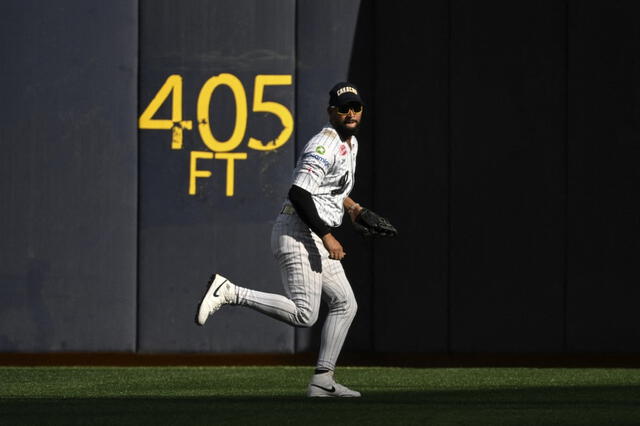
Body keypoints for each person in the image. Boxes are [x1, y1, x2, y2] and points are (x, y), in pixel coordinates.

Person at [195, 82, 396, 398]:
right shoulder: (324, 144)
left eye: (356, 107)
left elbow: (330, 189)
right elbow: (299, 194)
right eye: (344, 108)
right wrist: (328, 236)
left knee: (346, 304)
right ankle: (229, 291)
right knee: (306, 314)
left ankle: (322, 381)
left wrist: (354, 208)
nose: (351, 113)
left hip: (311, 233)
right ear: (331, 111)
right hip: (297, 231)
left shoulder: (351, 143)